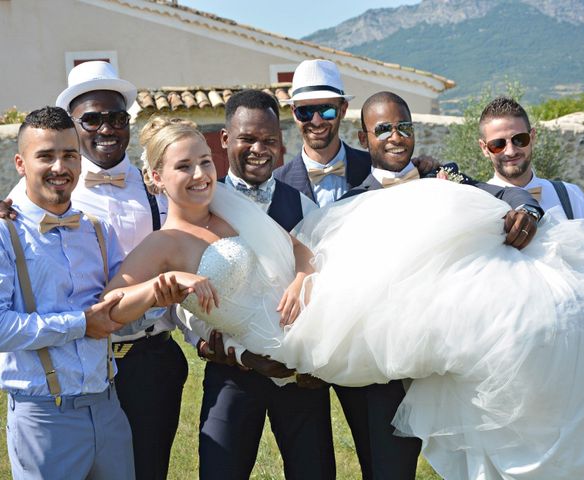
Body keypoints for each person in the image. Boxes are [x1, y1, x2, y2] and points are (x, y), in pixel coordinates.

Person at [104, 113, 584, 480]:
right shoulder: (162, 246)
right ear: (155, 178)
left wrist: (301, 277)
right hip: (293, 343)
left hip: (320, 307)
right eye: (183, 166)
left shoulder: (230, 209)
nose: (200, 174)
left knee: (471, 291)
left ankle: (546, 394)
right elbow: (102, 315)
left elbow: (298, 251)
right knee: (451, 316)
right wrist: (157, 290)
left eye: (203, 160)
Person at [333, 91, 543, 479]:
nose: (396, 137)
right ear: (364, 139)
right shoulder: (349, 205)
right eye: (383, 129)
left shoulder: (442, 177)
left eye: (404, 127)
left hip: (455, 359)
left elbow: (505, 192)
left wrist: (526, 209)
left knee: (477, 464)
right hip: (386, 368)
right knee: (388, 470)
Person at [4, 61, 188, 480]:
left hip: (142, 359)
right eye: (92, 119)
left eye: (117, 118)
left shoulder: (152, 186)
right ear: (74, 123)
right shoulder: (34, 192)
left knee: (147, 468)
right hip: (57, 377)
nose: (107, 128)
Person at [187, 90, 336, 479]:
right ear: (224, 140)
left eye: (269, 140)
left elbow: (324, 276)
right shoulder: (204, 204)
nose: (259, 149)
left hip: (298, 377)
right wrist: (209, 344)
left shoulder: (304, 206)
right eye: (247, 139)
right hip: (231, 371)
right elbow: (185, 287)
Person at [0, 106, 135, 479]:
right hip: (43, 417)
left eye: (69, 155)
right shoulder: (3, 232)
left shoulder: (98, 230)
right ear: (20, 163)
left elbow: (120, 306)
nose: (60, 167)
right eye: (46, 156)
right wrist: (80, 324)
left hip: (107, 407)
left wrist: (164, 293)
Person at [480, 96, 584, 226]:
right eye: (498, 144)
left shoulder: (571, 196)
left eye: (519, 139)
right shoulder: (478, 205)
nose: (511, 151)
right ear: (484, 148)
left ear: (532, 137)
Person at [273, 59, 371, 207]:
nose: (316, 121)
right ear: (294, 113)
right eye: (305, 112)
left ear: (343, 110)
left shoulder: (374, 168)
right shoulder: (277, 184)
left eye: (326, 110)